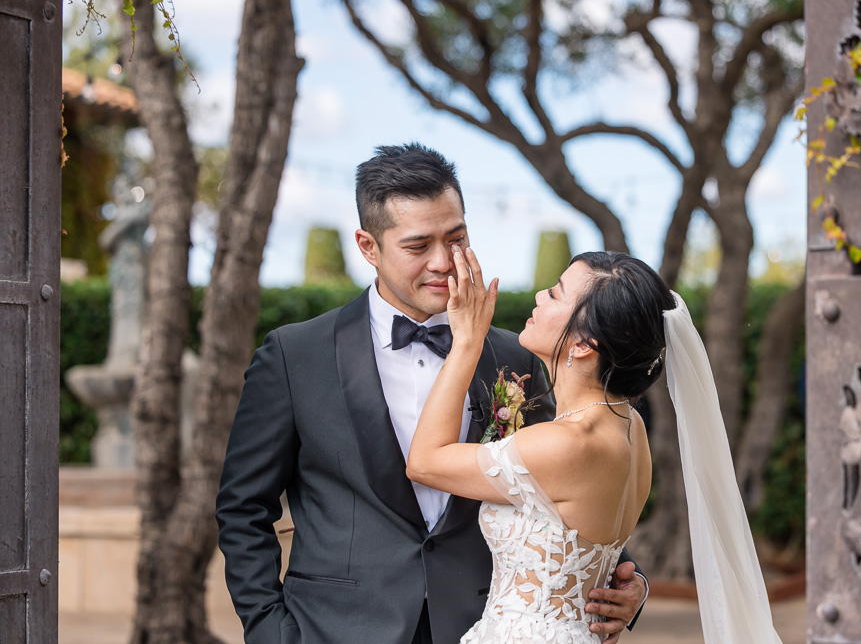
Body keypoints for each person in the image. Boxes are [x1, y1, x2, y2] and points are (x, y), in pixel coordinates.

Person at [215, 144, 646, 644]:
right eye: (418, 246)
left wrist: (626, 579)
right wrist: (271, 632)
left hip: (482, 624)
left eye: (456, 238)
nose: (443, 262)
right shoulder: (295, 356)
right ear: (368, 247)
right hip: (334, 630)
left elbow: (567, 481)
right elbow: (243, 509)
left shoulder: (519, 355)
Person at [407, 247, 784, 644]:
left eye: (555, 293)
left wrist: (467, 342)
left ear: (585, 343)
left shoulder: (568, 442)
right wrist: (635, 581)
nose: (539, 295)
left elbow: (424, 462)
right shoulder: (630, 426)